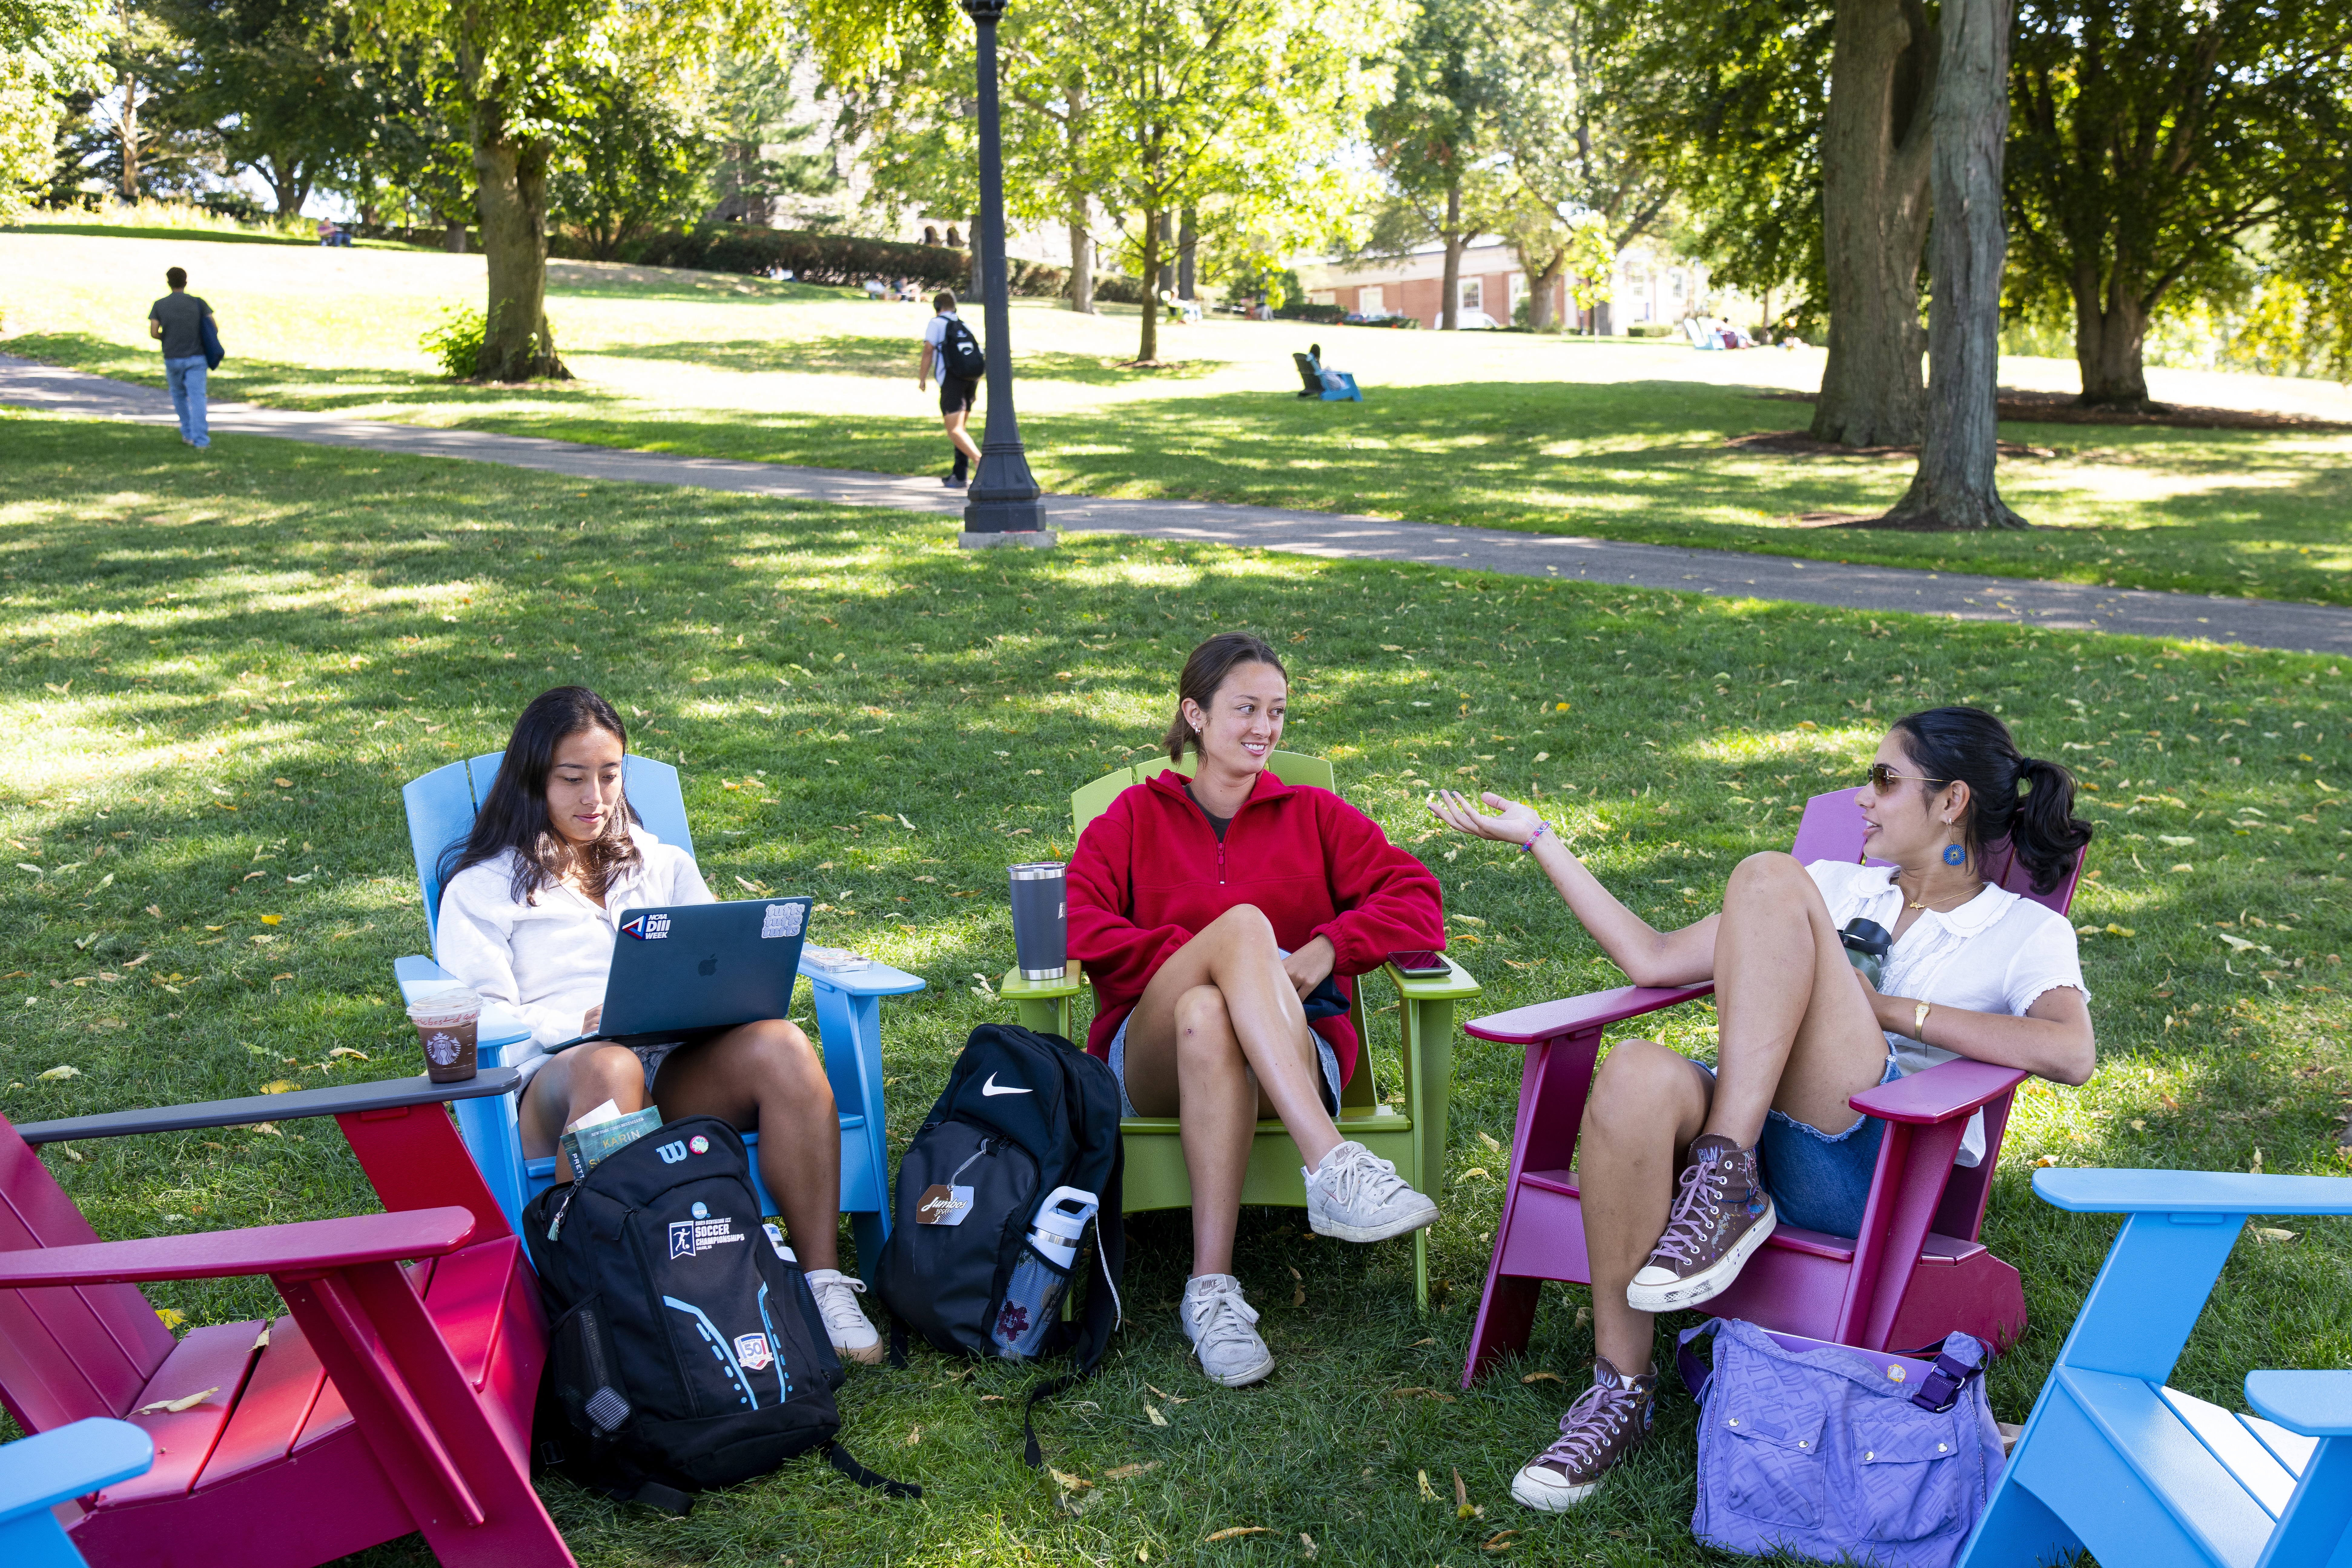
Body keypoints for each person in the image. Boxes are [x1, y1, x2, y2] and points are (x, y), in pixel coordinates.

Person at [1430, 707, 2096, 1513]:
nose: (1862, 798)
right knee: (1638, 1070)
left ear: (1950, 800)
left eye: (1884, 780)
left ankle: (1723, 1176)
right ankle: (1620, 1390)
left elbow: (2069, 1052)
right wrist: (1540, 838)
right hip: (1762, 1130)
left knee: (1768, 873)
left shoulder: (2019, 930)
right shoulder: (1834, 883)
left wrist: (1888, 1011)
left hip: (1869, 1167)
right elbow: (1649, 957)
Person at [433, 686, 882, 1363]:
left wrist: (723, 999)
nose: (595, 797)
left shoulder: (658, 863)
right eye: (572, 778)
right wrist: (577, 1023)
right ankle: (611, 1307)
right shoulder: (484, 888)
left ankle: (820, 1284)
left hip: (670, 1068)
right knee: (608, 1063)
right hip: (553, 1084)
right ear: (533, 779)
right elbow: (481, 1014)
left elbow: (712, 958)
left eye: (609, 775)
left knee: (781, 1047)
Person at [1067, 633, 1448, 1389]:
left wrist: (1328, 948)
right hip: (1149, 1055)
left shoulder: (1314, 814)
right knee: (1233, 940)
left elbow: (1418, 902)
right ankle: (1333, 1165)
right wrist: (1205, 950)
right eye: (1244, 708)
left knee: (1212, 1012)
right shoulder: (1131, 818)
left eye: (1276, 711)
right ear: (1195, 715)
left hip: (1290, 1054)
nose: (1263, 728)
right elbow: (1082, 925)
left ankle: (1208, 1290)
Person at [917, 289, 984, 491]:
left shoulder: (936, 323)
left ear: (937, 308)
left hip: (952, 380)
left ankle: (980, 463)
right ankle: (959, 475)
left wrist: (922, 379)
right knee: (961, 429)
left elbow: (928, 350)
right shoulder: (964, 325)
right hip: (971, 379)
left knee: (954, 431)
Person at [147, 266, 214, 449]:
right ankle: (201, 441)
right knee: (198, 398)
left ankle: (188, 433)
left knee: (179, 396)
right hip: (197, 358)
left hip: (172, 357)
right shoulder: (199, 303)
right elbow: (213, 327)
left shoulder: (160, 305)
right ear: (186, 281)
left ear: (168, 282)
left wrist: (167, 338)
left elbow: (154, 332)